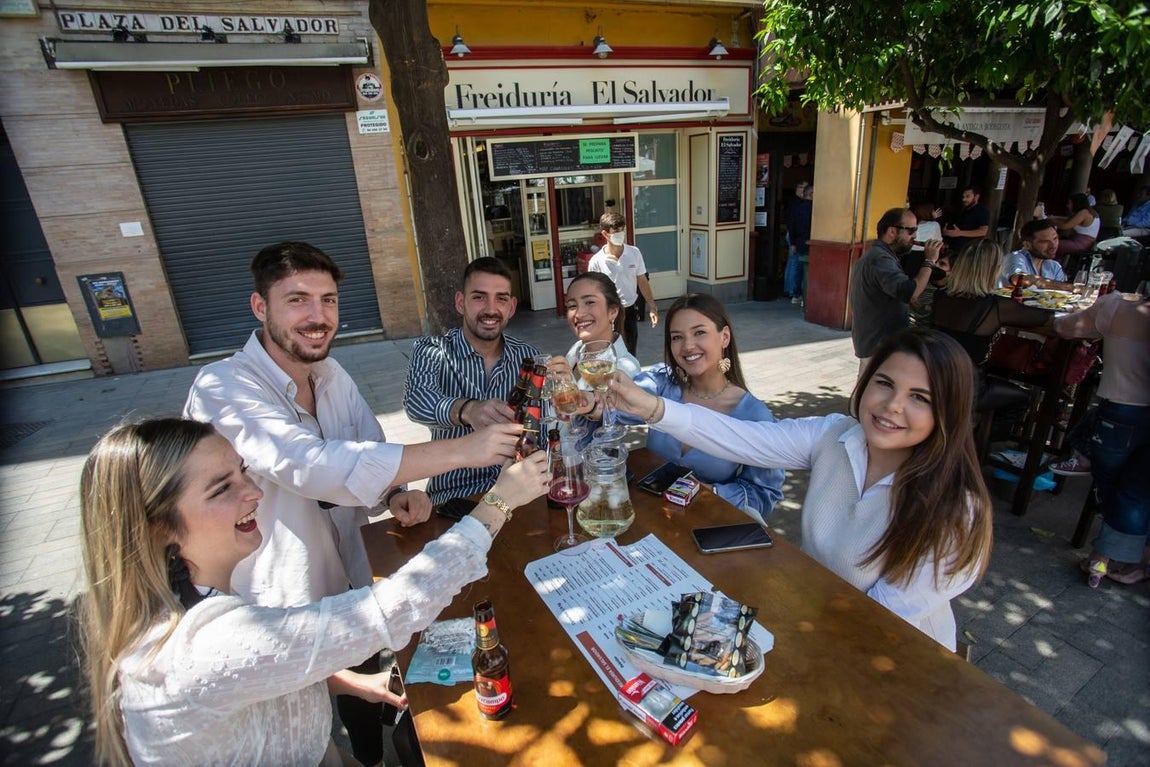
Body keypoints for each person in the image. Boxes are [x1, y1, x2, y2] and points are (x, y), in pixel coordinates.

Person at [183, 241, 521, 766]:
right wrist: (466, 447)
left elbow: (366, 439)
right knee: (294, 732)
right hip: (272, 607)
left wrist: (397, 492)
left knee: (365, 717)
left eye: (329, 300)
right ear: (259, 307)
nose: (318, 317)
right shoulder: (222, 387)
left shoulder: (332, 375)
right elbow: (309, 465)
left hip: (350, 589)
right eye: (298, 300)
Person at [78, 418, 549, 767]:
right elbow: (391, 609)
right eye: (223, 488)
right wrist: (499, 502)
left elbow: (257, 670)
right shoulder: (199, 646)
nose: (254, 493)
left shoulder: (191, 598)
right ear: (159, 528)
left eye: (244, 473)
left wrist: (347, 681)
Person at [608, 328, 994, 651]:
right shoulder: (837, 434)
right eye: (885, 383)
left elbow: (879, 620)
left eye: (919, 398)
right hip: (817, 619)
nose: (892, 406)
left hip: (896, 658)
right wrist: (653, 409)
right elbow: (743, 439)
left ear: (949, 411)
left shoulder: (956, 510)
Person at [628, 294, 785, 522]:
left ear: (724, 337)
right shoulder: (663, 385)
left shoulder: (753, 414)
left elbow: (766, 494)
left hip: (708, 530)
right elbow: (618, 405)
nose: (688, 345)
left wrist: (711, 493)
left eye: (699, 332)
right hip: (652, 520)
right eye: (677, 337)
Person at [403, 257, 541, 506]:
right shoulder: (432, 350)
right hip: (454, 495)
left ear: (511, 307)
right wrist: (467, 410)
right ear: (460, 302)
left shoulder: (529, 357)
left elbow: (545, 424)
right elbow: (416, 401)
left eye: (500, 298)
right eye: (479, 297)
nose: (490, 309)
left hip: (517, 492)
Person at [1054, 291, 1150, 587]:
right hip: (1129, 413)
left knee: (1113, 485)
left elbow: (1064, 327)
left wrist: (1069, 310)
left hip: (1121, 411)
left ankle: (1103, 558)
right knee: (1136, 491)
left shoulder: (1118, 305)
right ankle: (1124, 558)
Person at [849, 207, 944, 371]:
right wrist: (929, 261)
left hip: (876, 341)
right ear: (892, 231)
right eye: (911, 231)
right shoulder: (881, 259)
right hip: (879, 344)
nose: (915, 236)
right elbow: (910, 292)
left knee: (868, 390)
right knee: (874, 391)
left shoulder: (881, 255)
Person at [555, 272, 642, 437]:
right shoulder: (577, 350)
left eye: (589, 302)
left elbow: (615, 425)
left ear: (613, 311)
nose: (579, 314)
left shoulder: (625, 368)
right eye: (572, 306)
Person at [587, 211, 658, 355]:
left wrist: (652, 306)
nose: (620, 233)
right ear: (606, 234)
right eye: (616, 231)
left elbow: (642, 281)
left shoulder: (634, 253)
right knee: (609, 352)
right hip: (607, 313)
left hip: (629, 309)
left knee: (630, 351)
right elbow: (591, 292)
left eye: (622, 230)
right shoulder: (596, 261)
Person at [999, 219, 1072, 290]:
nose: (1053, 245)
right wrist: (1068, 287)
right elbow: (1018, 279)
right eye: (1045, 241)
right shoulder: (1014, 257)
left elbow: (1060, 295)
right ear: (1027, 245)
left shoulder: (1054, 267)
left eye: (1055, 238)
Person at [785, 182, 813, 304]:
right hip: (806, 241)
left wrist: (793, 242)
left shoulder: (797, 207)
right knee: (801, 268)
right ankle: (799, 294)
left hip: (797, 240)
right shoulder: (812, 209)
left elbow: (792, 225)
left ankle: (794, 293)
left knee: (796, 266)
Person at [942, 185, 990, 254]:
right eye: (963, 197)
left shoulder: (981, 211)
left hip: (969, 249)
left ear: (976, 197)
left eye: (967, 196)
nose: (964, 199)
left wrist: (960, 233)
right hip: (956, 248)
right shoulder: (965, 210)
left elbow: (983, 231)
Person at [1052, 193, 1101, 258]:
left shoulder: (1084, 213)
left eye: (1069, 203)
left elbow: (1065, 226)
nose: (1067, 206)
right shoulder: (1090, 212)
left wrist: (1050, 221)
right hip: (1084, 244)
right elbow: (1070, 219)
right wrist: (1054, 218)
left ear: (1076, 203)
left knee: (1051, 244)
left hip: (1080, 245)